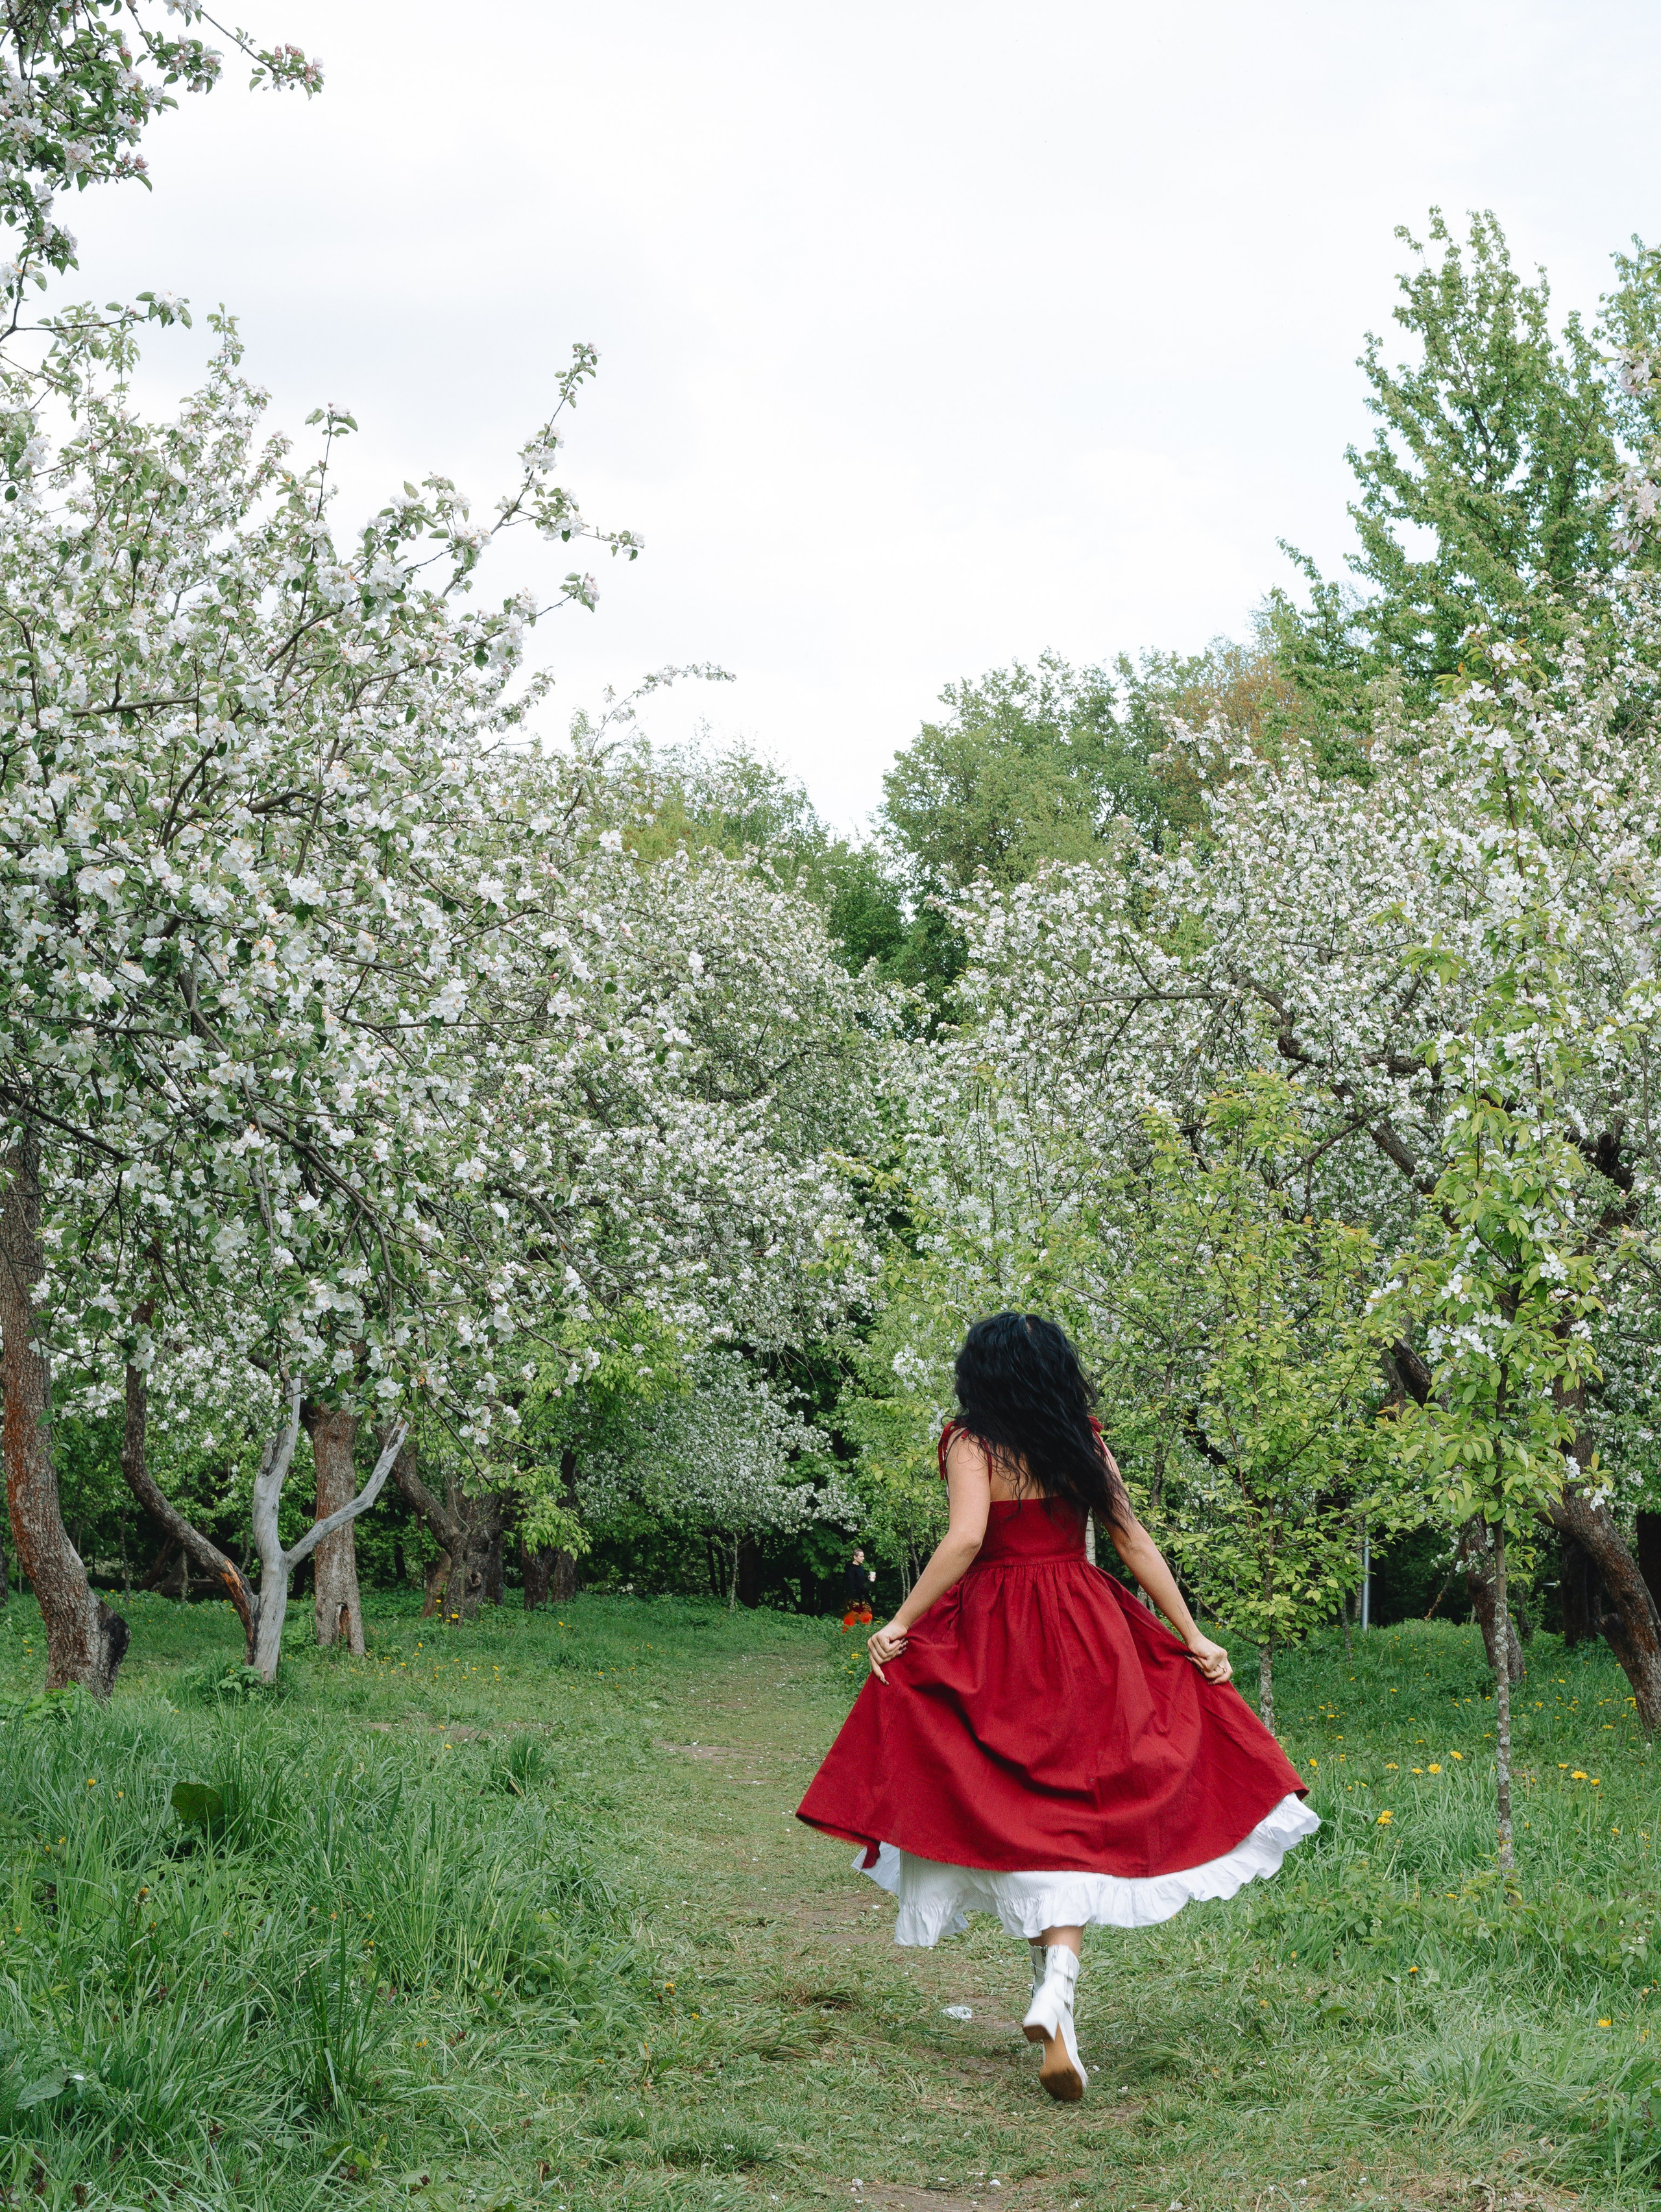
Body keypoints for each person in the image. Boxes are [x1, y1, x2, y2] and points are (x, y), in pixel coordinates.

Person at [796, 1312, 1316, 2104]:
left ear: (981, 1374)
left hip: (995, 1635)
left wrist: (900, 1623)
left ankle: (1053, 1995)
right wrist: (1193, 1634)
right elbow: (1132, 1538)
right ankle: (1059, 1994)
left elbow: (967, 1538)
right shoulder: (1082, 1438)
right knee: (1078, 1813)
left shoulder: (971, 1443)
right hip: (1087, 1630)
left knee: (1020, 1812)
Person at [841, 1547, 875, 1629]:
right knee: (851, 1617)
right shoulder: (850, 1569)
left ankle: (866, 1632)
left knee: (868, 1615)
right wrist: (853, 1597)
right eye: (861, 1556)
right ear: (855, 1557)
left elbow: (860, 1581)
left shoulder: (860, 1568)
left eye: (863, 1556)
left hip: (862, 1596)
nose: (863, 1558)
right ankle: (846, 1634)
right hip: (854, 1597)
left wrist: (868, 1578)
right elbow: (850, 1584)